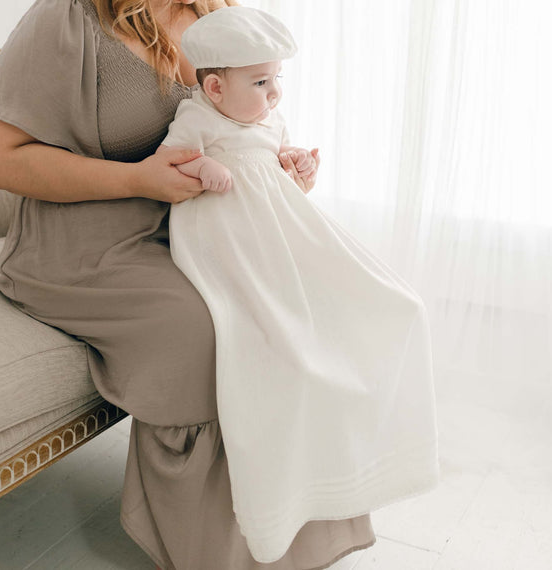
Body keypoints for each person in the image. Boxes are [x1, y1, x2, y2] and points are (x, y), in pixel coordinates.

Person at [0, 0, 381, 568]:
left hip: (198, 233)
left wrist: (277, 171)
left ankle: (285, 534)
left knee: (302, 303)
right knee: (212, 330)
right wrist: (136, 181)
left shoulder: (218, 15)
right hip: (79, 251)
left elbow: (242, 130)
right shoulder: (64, 20)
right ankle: (217, 555)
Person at [158, 6, 440, 565]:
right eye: (261, 82)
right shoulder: (199, 121)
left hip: (280, 233)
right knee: (275, 332)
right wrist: (198, 168)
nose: (275, 93)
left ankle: (378, 454)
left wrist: (294, 162)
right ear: (214, 87)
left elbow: (274, 167)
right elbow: (164, 162)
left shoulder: (267, 122)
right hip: (229, 241)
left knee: (386, 303)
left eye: (278, 79)